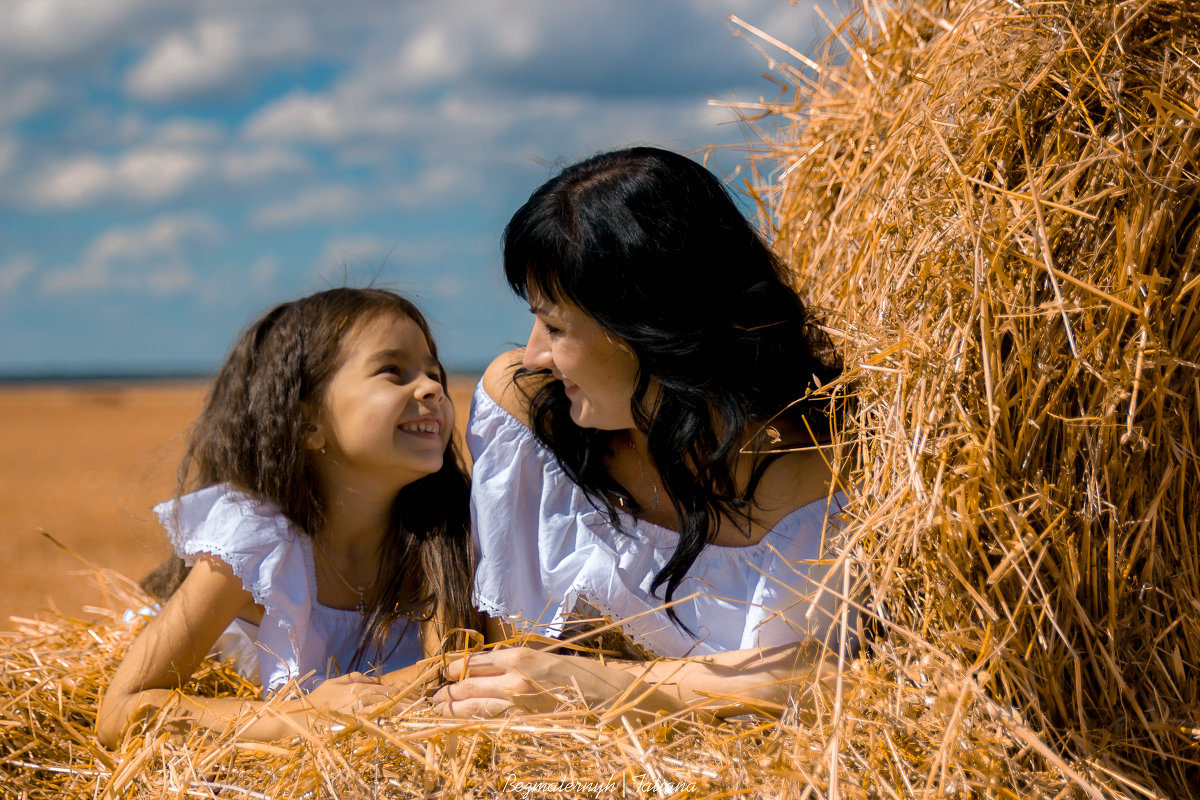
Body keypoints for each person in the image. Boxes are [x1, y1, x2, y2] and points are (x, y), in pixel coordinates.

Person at [434, 147, 853, 720]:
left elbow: (831, 678)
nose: (532, 354)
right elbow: (499, 658)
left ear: (648, 328)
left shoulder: (816, 476)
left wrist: (606, 685)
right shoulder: (528, 421)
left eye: (554, 325)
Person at [97, 287, 479, 747]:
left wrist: (377, 698)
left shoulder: (444, 534)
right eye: (392, 372)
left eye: (434, 373)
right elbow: (120, 712)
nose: (433, 388)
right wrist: (303, 716)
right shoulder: (256, 543)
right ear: (307, 424)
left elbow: (449, 685)